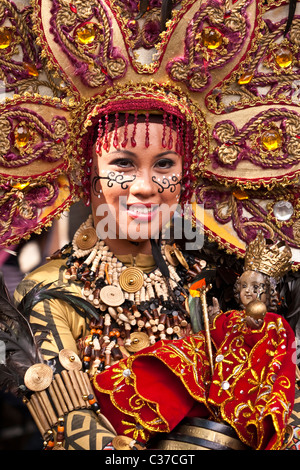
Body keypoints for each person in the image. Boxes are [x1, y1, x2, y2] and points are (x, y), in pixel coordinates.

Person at [0, 0, 299, 453]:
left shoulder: (216, 279)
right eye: (122, 163)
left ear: (186, 178)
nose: (144, 187)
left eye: (163, 165)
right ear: (88, 176)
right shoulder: (50, 290)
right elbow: (71, 428)